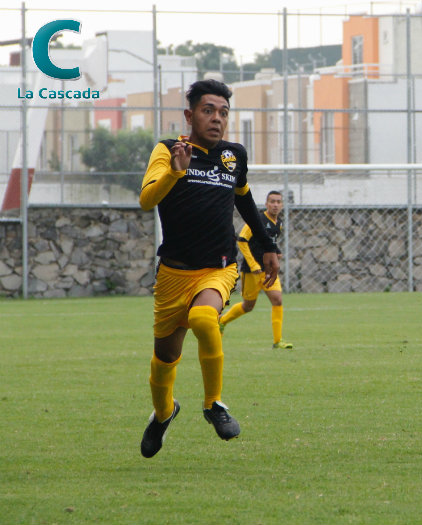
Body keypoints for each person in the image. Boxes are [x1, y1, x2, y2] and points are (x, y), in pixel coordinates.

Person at [138, 79, 279, 458]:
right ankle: (165, 413)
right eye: (208, 111)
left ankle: (213, 404)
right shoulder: (168, 151)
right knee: (165, 357)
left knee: (204, 318)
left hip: (217, 267)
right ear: (189, 115)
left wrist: (267, 245)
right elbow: (146, 199)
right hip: (172, 273)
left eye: (223, 112)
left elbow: (245, 200)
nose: (217, 119)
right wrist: (175, 172)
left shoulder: (233, 155)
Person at [219, 190, 294, 349]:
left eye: (278, 202)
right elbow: (242, 241)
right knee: (248, 306)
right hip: (251, 271)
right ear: (266, 204)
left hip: (268, 271)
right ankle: (222, 321)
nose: (275, 204)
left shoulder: (278, 224)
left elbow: (268, 243)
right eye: (272, 201)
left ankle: (277, 341)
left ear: (282, 205)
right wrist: (253, 264)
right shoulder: (257, 220)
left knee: (277, 300)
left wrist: (276, 252)